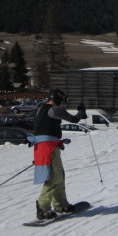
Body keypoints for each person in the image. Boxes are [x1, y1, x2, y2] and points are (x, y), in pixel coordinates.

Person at [29, 88, 87, 220]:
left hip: (43, 147)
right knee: (54, 177)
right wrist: (81, 112)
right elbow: (73, 119)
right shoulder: (55, 109)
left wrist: (57, 141)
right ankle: (42, 208)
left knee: (58, 175)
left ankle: (61, 205)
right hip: (47, 148)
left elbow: (44, 129)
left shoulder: (40, 109)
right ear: (59, 99)